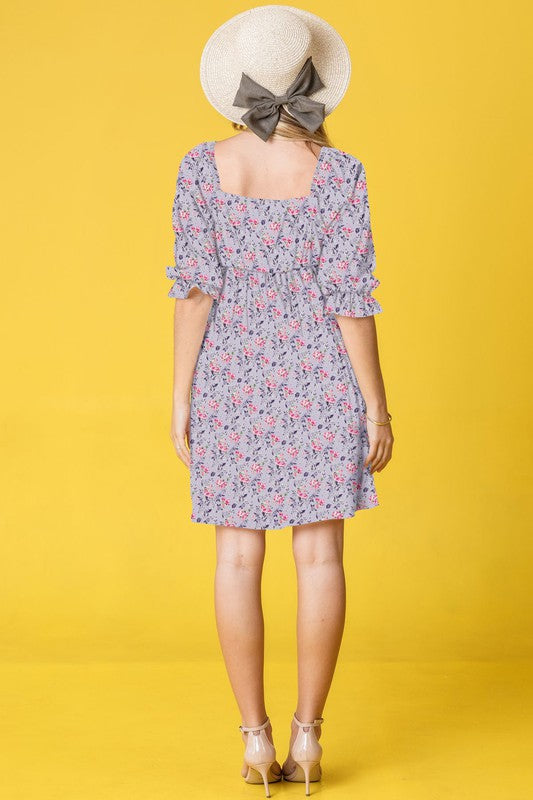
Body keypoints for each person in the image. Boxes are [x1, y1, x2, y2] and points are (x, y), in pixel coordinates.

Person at [165, 6, 394, 796]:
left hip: (231, 377)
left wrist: (181, 396)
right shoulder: (340, 174)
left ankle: (255, 743)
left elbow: (195, 292)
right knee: (320, 556)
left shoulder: (201, 166)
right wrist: (374, 405)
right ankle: (308, 734)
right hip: (319, 377)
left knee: (235, 556)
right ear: (312, 83)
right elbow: (349, 299)